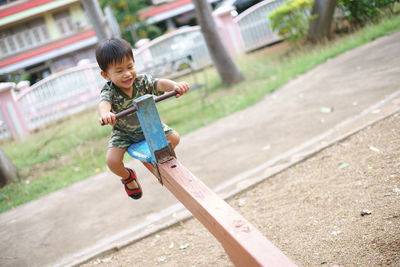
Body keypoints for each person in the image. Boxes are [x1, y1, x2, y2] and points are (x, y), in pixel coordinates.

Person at [96, 38, 189, 200]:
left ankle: (164, 162)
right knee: (112, 162)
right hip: (124, 133)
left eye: (130, 67)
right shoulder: (109, 91)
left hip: (149, 126)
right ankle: (128, 177)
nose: (127, 74)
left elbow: (159, 84)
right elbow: (104, 103)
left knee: (174, 138)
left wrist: (175, 86)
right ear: (106, 75)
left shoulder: (141, 81)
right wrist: (105, 114)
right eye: (119, 71)